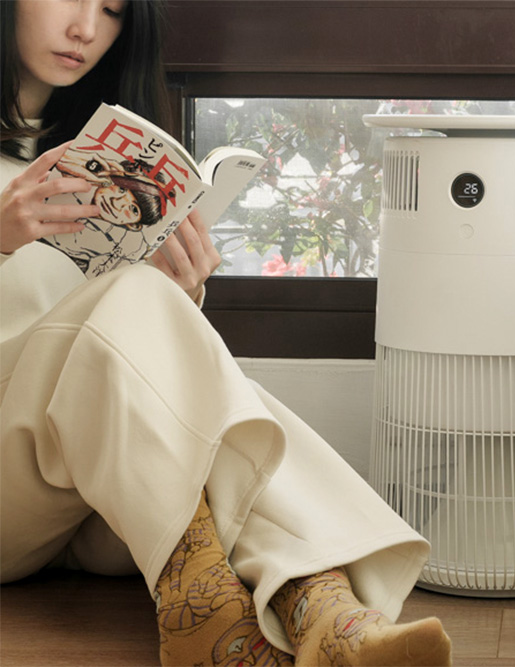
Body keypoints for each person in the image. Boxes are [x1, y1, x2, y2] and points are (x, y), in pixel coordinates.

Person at [0, 2, 452, 665]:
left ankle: (327, 616)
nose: (86, 30)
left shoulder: (97, 163)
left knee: (212, 420)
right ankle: (265, 603)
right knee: (154, 327)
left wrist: (180, 290)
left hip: (89, 497)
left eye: (114, 11)